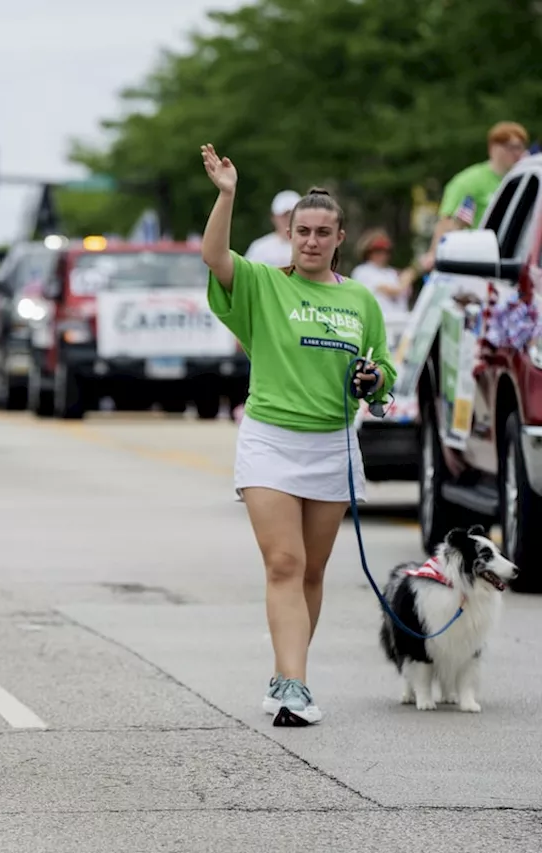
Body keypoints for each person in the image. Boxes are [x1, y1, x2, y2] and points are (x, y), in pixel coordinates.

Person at [199, 144, 396, 727]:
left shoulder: (361, 298)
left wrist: (373, 379)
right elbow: (214, 257)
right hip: (270, 442)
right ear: (288, 234)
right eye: (300, 231)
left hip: (332, 446)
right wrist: (227, 194)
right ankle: (294, 684)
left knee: (312, 571)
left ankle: (289, 672)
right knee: (284, 563)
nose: (310, 240)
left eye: (321, 232)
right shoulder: (262, 284)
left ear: (340, 237)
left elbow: (383, 373)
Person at [419, 121, 530, 271]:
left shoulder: (526, 181)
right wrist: (435, 254)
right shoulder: (469, 182)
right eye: (511, 147)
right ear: (493, 148)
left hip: (517, 259)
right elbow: (448, 223)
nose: (517, 153)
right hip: (478, 263)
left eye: (521, 147)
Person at [350, 230, 416, 345]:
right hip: (381, 326)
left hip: (401, 325)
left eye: (385, 251)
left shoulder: (390, 273)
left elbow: (405, 292)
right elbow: (393, 291)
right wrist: (411, 274)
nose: (382, 255)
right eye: (377, 251)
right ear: (368, 252)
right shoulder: (363, 271)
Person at [243, 190, 301, 267]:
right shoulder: (260, 248)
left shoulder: (311, 246)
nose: (289, 219)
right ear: (274, 217)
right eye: (284, 215)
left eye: (292, 215)